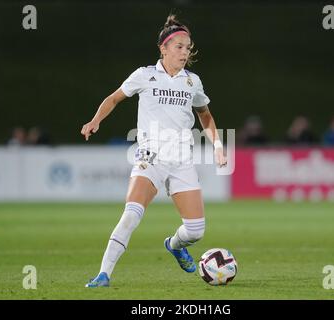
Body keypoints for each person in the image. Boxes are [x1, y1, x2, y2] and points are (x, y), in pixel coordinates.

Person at [80, 14, 227, 287]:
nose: (185, 52)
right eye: (179, 47)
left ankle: (174, 244)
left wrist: (217, 145)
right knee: (132, 213)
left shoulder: (192, 82)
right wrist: (95, 120)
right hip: (151, 156)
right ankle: (103, 274)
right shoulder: (144, 75)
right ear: (163, 48)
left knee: (195, 231)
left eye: (188, 47)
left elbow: (205, 115)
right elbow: (114, 98)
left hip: (182, 160)